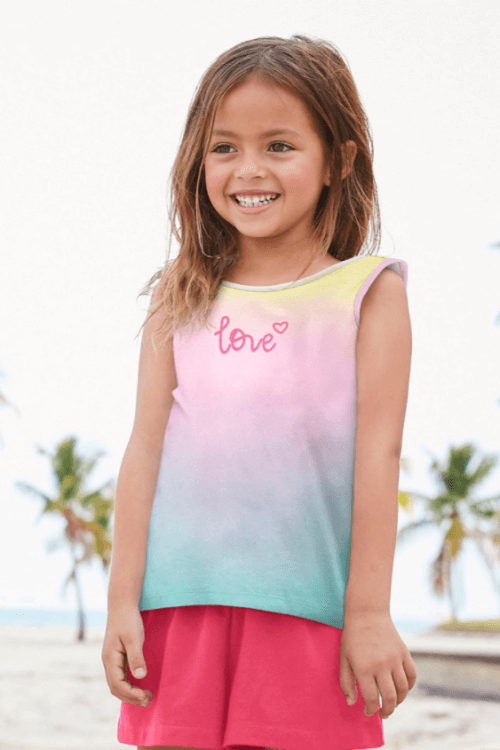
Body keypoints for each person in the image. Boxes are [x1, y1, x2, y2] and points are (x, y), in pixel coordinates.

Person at [101, 33, 417, 750]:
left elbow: (379, 457)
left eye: (279, 146)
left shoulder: (369, 293)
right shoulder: (180, 294)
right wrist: (122, 600)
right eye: (224, 147)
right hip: (178, 610)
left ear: (338, 161)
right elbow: (144, 450)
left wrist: (368, 614)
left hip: (309, 615)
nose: (249, 169)